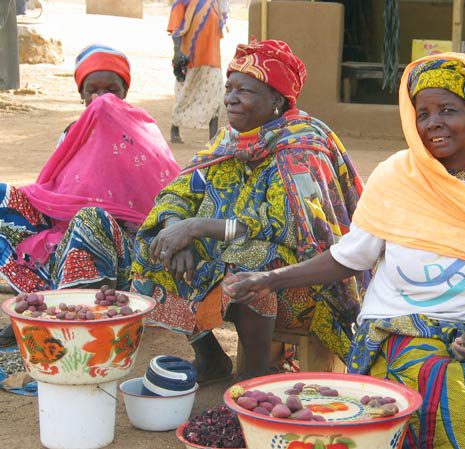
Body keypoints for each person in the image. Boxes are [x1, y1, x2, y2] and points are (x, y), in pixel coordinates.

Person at [223, 54, 465, 448]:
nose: (433, 124)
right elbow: (348, 257)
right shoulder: (396, 177)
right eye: (423, 114)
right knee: (435, 381)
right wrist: (270, 279)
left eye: (448, 110)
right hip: (397, 328)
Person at [131, 39, 364, 382]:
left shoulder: (300, 149)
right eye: (229, 88)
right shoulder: (228, 141)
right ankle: (210, 357)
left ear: (277, 100)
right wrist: (177, 228)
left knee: (251, 256)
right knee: (158, 245)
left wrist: (197, 227)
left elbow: (282, 229)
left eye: (245, 90)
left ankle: (255, 378)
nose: (231, 98)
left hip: (302, 285)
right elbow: (178, 190)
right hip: (227, 262)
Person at [0, 44, 181, 346]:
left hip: (129, 254)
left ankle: (67, 320)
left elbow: (162, 200)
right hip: (66, 236)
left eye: (112, 89)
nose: (102, 98)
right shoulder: (72, 134)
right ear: (81, 95)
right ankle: (39, 301)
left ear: (125, 92)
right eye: (92, 91)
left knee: (90, 218)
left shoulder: (141, 133)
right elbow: (56, 190)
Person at [168, 0, 226, 144]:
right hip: (191, 58)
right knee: (185, 94)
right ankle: (175, 127)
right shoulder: (183, 1)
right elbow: (175, 28)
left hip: (213, 59)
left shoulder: (216, 3)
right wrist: (177, 53)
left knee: (216, 96)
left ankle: (212, 137)